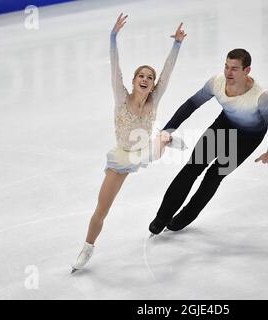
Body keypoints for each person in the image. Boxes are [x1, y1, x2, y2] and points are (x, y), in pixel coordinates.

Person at [71, 13, 187, 273]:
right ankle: (87, 247)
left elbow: (167, 74)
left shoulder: (153, 101)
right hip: (122, 156)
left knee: (156, 148)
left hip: (145, 149)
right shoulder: (121, 97)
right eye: (140, 76)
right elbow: (115, 68)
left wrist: (177, 44)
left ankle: (166, 137)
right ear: (134, 81)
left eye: (149, 77)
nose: (145, 79)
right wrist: (113, 37)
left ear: (152, 85)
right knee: (101, 209)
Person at [149, 48, 268, 235]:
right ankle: (162, 217)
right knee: (192, 167)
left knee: (214, 175)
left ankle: (186, 216)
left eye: (234, 69)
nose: (228, 72)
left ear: (247, 70)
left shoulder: (263, 97)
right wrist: (167, 130)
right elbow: (191, 105)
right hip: (223, 126)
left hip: (248, 138)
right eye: (226, 66)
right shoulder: (217, 82)